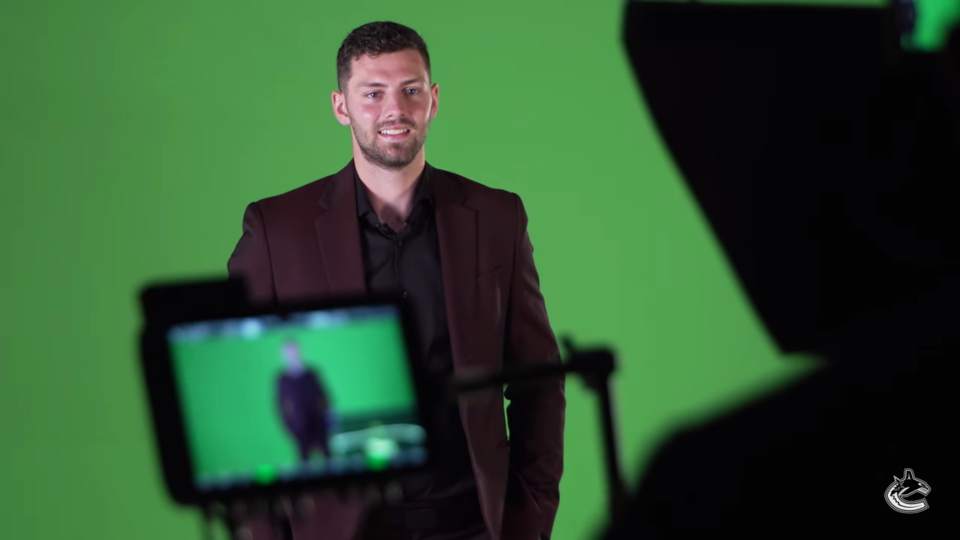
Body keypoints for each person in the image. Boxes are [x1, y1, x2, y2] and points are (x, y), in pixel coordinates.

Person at [227, 21, 564, 540]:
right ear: (341, 107)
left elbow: (538, 380)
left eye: (410, 91)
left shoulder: (499, 217)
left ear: (432, 100)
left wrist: (530, 517)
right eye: (373, 93)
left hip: (474, 524)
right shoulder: (277, 230)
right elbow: (248, 403)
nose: (395, 110)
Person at [277, 340, 333, 463]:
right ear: (284, 355)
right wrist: (289, 427)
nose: (293, 355)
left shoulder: (312, 374)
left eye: (295, 351)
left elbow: (325, 398)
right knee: (304, 464)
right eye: (289, 352)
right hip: (299, 428)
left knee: (329, 460)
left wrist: (326, 420)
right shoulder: (283, 380)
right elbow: (280, 407)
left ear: (301, 352)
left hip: (319, 425)